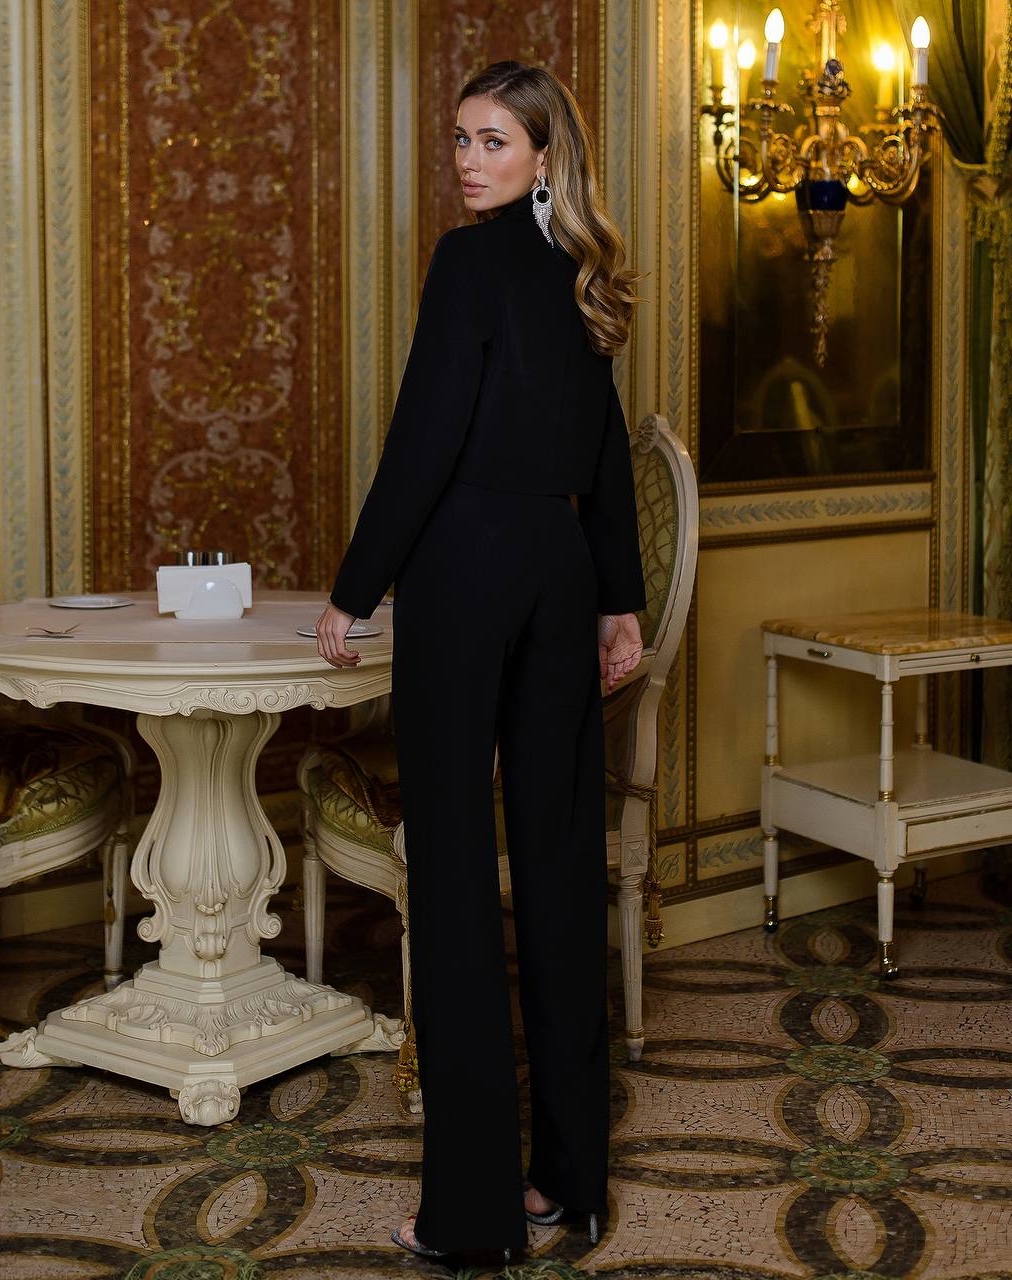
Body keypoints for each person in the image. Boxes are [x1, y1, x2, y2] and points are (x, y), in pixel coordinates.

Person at [314, 59, 646, 1264]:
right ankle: (570, 1186)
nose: (466, 159)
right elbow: (603, 455)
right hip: (556, 570)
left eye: (493, 139)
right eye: (459, 138)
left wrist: (355, 587)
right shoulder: (583, 275)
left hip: (463, 572)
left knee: (455, 883)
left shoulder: (468, 264)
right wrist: (616, 598)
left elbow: (425, 435)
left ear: (544, 155)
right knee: (558, 870)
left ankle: (470, 1217)